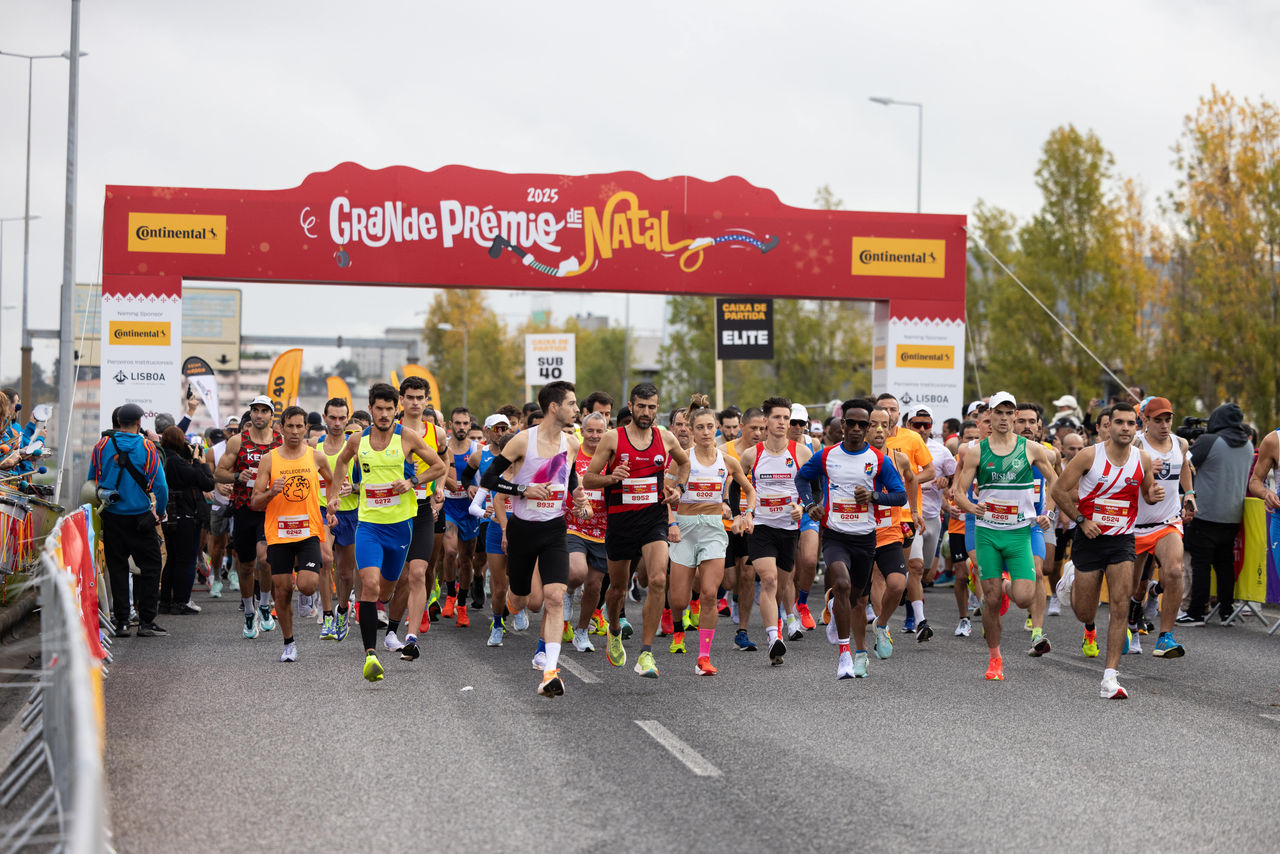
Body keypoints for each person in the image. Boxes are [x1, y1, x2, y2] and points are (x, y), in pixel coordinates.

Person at [327, 383, 447, 682]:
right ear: (371, 409)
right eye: (378, 409)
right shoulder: (358, 440)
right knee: (369, 585)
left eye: (389, 409)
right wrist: (334, 495)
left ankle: (390, 625)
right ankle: (371, 655)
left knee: (386, 591)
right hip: (368, 525)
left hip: (401, 525)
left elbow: (439, 465)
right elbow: (341, 462)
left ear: (397, 409)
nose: (383, 414)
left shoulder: (407, 437)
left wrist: (413, 481)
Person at [480, 381, 590, 696]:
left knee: (554, 597)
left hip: (554, 529)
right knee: (521, 601)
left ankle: (550, 672)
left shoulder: (571, 443)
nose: (576, 409)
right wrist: (522, 490)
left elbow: (569, 476)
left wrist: (578, 497)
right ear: (554, 407)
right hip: (522, 530)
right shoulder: (522, 441)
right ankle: (509, 605)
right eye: (571, 403)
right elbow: (490, 478)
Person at [1051, 402, 1164, 699]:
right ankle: (1071, 578)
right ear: (1108, 426)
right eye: (1119, 422)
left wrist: (1153, 495)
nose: (1125, 428)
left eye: (1130, 423)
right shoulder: (1090, 455)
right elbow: (1058, 491)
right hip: (1089, 537)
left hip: (1122, 540)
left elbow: (1147, 494)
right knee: (1085, 612)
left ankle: (1109, 677)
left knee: (1119, 605)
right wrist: (1081, 520)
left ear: (1137, 427)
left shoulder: (1142, 459)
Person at [583, 382, 689, 678]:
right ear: (631, 406)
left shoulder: (665, 438)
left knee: (658, 579)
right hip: (620, 523)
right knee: (617, 589)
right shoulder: (612, 438)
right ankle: (614, 629)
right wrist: (612, 478)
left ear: (657, 409)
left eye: (651, 407)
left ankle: (645, 654)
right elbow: (588, 479)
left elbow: (684, 463)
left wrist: (679, 489)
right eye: (641, 406)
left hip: (654, 520)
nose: (646, 412)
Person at [797, 398, 907, 678]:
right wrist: (810, 505)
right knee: (842, 584)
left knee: (856, 599)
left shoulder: (878, 460)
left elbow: (900, 496)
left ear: (868, 427)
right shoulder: (826, 455)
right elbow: (801, 478)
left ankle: (837, 609)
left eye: (863, 424)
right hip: (835, 535)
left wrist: (874, 496)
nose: (857, 428)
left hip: (865, 538)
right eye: (852, 423)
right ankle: (844, 655)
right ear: (843, 425)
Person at [954, 393, 1058, 681]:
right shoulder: (977, 452)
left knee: (1024, 597)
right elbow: (959, 492)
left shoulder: (1031, 449)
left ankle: (1002, 583)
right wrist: (971, 507)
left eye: (1008, 412)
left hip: (1019, 533)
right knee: (991, 600)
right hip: (987, 533)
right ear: (990, 415)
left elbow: (1055, 481)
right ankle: (995, 659)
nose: (1003, 417)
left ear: (1014, 416)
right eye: (998, 412)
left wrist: (1047, 513)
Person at [668, 394, 756, 676]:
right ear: (691, 431)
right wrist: (671, 523)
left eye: (710, 427)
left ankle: (703, 658)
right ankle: (678, 627)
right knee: (679, 600)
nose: (706, 432)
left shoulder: (727, 460)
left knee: (709, 593)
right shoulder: (682, 459)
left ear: (716, 428)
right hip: (684, 528)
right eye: (700, 428)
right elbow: (665, 496)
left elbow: (750, 491)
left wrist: (747, 514)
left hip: (714, 530)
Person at [250, 406, 336, 662]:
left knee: (307, 586)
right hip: (279, 533)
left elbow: (332, 480)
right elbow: (255, 501)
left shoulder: (316, 457)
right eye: (290, 426)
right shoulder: (269, 459)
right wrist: (271, 492)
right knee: (282, 590)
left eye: (300, 426)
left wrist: (332, 505)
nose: (295, 431)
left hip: (308, 530)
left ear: (306, 428)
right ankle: (289, 643)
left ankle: (304, 592)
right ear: (281, 428)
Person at [737, 397, 813, 666]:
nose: (782, 422)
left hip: (789, 528)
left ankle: (778, 625)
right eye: (777, 417)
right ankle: (773, 638)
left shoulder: (801, 453)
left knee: (781, 584)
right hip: (761, 526)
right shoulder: (752, 454)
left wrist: (803, 506)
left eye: (786, 418)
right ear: (766, 421)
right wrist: (740, 513)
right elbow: (734, 485)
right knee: (768, 580)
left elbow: (814, 488)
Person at [88, 403, 170, 637]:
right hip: (140, 517)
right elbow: (161, 487)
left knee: (118, 568)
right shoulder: (147, 447)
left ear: (118, 422)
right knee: (152, 566)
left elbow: (91, 482)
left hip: (112, 515)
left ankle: (122, 622)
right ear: (139, 422)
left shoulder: (101, 446)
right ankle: (146, 622)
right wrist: (159, 512)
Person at [383, 378, 447, 659]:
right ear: (401, 399)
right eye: (410, 397)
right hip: (394, 511)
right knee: (399, 578)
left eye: (420, 397)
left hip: (422, 509)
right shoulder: (390, 431)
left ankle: (411, 638)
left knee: (419, 572)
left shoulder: (437, 433)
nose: (415, 402)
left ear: (427, 400)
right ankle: (391, 630)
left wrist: (438, 488)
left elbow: (443, 463)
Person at [214, 395, 282, 639]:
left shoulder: (280, 441)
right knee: (245, 565)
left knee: (265, 560)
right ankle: (249, 611)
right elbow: (218, 473)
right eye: (256, 410)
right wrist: (236, 476)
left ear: (271, 415)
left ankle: (264, 604)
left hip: (270, 509)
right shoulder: (237, 441)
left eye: (264, 411)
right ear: (251, 413)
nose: (259, 415)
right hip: (244, 508)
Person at [1181, 403, 1254, 625]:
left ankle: (1196, 612)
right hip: (1233, 515)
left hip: (1205, 513)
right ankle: (1226, 611)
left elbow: (1185, 465)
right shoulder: (1248, 445)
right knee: (1224, 565)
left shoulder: (1209, 441)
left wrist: (1191, 444)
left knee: (1200, 565)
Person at [1131, 397, 1191, 656]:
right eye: (1158, 420)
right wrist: (1143, 469)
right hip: (1135, 524)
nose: (1164, 425)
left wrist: (1189, 493)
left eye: (1168, 419)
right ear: (1145, 420)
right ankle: (1130, 623)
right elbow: (1118, 475)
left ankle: (1165, 637)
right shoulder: (1135, 444)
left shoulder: (1180, 443)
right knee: (1133, 587)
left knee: (1175, 571)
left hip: (1167, 522)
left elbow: (1184, 466)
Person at [905, 404, 954, 641]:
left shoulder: (941, 451)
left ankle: (906, 599)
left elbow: (956, 476)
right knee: (914, 568)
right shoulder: (899, 446)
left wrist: (947, 482)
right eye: (917, 424)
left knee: (925, 574)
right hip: (908, 517)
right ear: (908, 425)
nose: (922, 429)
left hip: (933, 518)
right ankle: (917, 620)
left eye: (927, 425)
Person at [313, 398, 359, 642]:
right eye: (333, 418)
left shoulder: (356, 448)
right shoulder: (315, 446)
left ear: (347, 419)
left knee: (345, 573)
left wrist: (355, 488)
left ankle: (342, 610)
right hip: (322, 510)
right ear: (325, 417)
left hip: (350, 514)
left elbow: (370, 483)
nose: (338, 423)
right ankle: (327, 616)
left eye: (342, 418)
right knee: (325, 560)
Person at [159, 427, 215, 615]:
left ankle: (165, 601)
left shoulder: (163, 459)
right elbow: (207, 482)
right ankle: (181, 601)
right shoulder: (177, 463)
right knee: (187, 561)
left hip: (169, 517)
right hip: (185, 517)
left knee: (172, 560)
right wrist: (199, 461)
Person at [567, 410, 610, 652]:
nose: (594, 435)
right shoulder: (574, 454)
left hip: (603, 530)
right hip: (573, 525)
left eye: (599, 431)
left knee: (594, 586)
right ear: (582, 431)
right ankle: (569, 590)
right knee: (576, 572)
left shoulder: (610, 457)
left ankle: (582, 631)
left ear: (606, 432)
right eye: (590, 431)